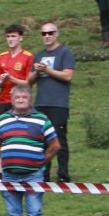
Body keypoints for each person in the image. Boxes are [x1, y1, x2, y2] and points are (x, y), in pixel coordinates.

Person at [0, 83, 59, 216]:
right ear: (12, 100)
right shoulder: (2, 119)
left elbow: (55, 145)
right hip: (9, 175)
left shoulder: (42, 119)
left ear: (30, 99)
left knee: (34, 212)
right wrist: (5, 157)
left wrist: (40, 161)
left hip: (34, 175)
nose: (20, 100)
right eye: (17, 97)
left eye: (24, 97)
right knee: (13, 214)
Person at [30, 23, 76, 181]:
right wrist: (37, 71)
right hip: (41, 103)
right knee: (41, 139)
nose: (47, 36)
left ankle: (63, 174)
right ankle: (43, 174)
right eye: (44, 34)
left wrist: (47, 70)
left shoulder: (65, 52)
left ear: (57, 34)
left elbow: (68, 75)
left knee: (59, 138)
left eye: (50, 33)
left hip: (58, 104)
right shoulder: (38, 55)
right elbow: (29, 80)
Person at [0, 25, 34, 117]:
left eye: (13, 36)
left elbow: (29, 83)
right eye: (8, 36)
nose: (10, 39)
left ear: (21, 38)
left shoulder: (28, 57)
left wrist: (11, 78)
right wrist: (1, 81)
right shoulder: (1, 56)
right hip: (3, 102)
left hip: (20, 102)